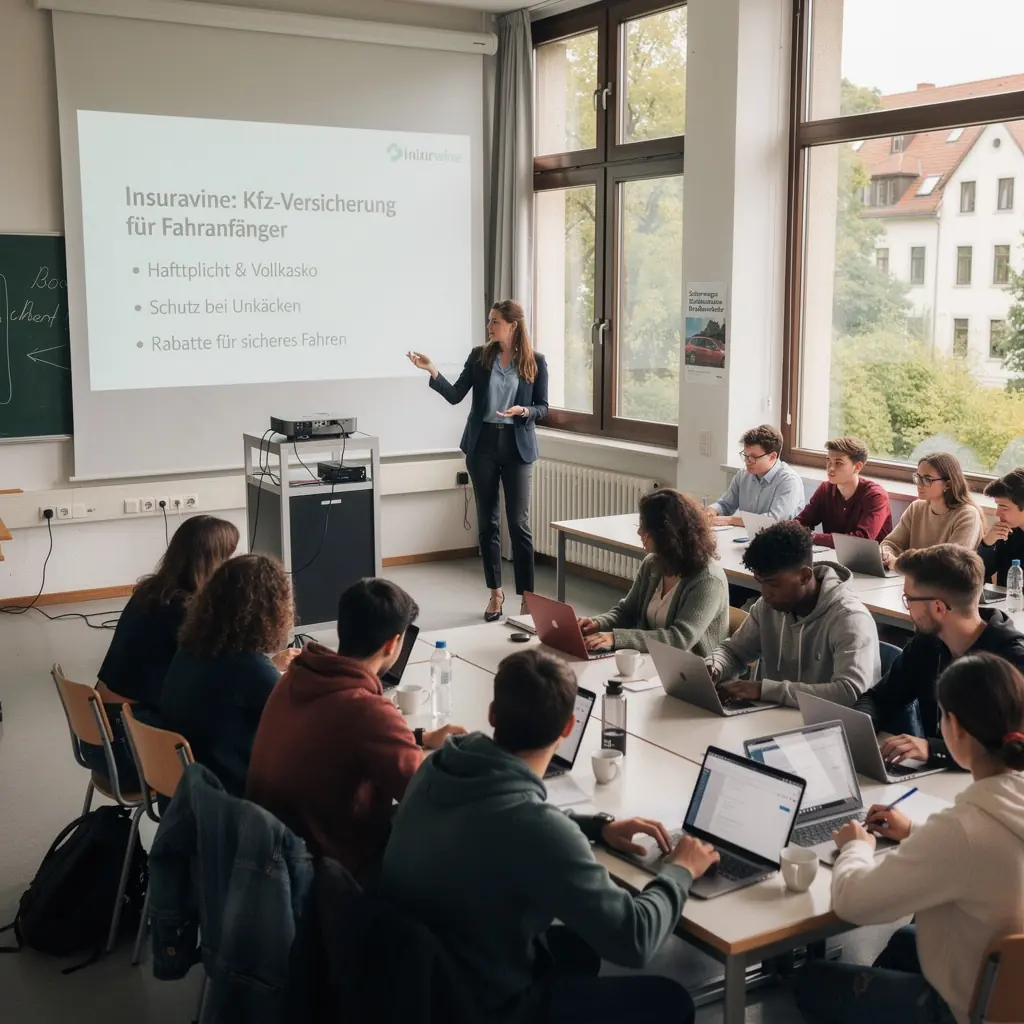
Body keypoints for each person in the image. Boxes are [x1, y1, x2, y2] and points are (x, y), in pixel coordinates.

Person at [380, 649, 716, 1024]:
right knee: (669, 1002)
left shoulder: (438, 767)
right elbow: (635, 940)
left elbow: (502, 821)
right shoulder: (534, 828)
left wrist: (596, 827)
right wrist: (680, 869)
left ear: (493, 713)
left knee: (577, 950)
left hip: (423, 978)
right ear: (569, 727)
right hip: (486, 1005)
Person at [795, 653, 1024, 1024]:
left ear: (956, 730)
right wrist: (916, 834)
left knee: (811, 980)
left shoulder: (960, 830)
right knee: (905, 939)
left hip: (966, 1011)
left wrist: (856, 846)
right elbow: (983, 855)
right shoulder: (995, 812)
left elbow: (853, 902)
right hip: (1013, 993)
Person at [247, 578, 465, 881]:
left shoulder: (296, 676)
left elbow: (335, 739)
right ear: (393, 644)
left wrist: (420, 738)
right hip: (330, 874)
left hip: (273, 858)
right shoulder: (366, 710)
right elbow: (425, 794)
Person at [407, 300, 548, 620]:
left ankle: (528, 598)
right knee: (488, 523)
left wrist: (524, 411)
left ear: (512, 325)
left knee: (519, 524)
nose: (490, 326)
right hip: (482, 446)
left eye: (495, 321)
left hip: (517, 448)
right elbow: (456, 395)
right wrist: (432, 370)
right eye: (489, 321)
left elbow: (543, 407)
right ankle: (495, 594)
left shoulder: (535, 361)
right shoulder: (480, 356)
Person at [81, 514, 239, 785]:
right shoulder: (184, 610)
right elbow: (218, 677)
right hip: (129, 750)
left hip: (97, 737)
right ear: (210, 561)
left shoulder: (149, 592)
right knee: (233, 741)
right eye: (226, 558)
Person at [853, 544, 1024, 768]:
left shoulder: (1012, 659)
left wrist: (934, 749)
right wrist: (857, 729)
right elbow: (879, 698)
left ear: (938, 608)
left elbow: (1014, 749)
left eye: (909, 600)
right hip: (936, 779)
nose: (907, 610)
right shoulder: (928, 644)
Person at [160, 554, 298, 798]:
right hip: (230, 801)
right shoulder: (250, 670)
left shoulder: (191, 650)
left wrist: (271, 667)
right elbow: (300, 724)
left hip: (183, 791)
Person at [708, 521, 880, 707]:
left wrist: (765, 690)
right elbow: (734, 652)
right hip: (776, 720)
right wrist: (714, 665)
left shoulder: (850, 619)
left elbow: (851, 692)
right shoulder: (767, 607)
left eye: (773, 584)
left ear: (805, 576)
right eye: (760, 582)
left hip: (831, 728)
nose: (765, 594)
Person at [578, 489, 728, 655]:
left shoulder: (708, 579)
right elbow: (627, 611)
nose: (640, 532)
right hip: (652, 662)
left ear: (667, 534)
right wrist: (596, 624)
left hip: (693, 672)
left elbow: (679, 639)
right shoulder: (652, 564)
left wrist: (615, 638)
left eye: (645, 527)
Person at [880, 453, 983, 569]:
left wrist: (900, 563)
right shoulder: (916, 508)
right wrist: (887, 555)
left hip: (948, 585)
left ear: (948, 484)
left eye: (927, 479)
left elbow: (951, 562)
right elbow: (891, 543)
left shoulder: (967, 515)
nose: (919, 484)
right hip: (914, 581)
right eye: (918, 477)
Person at [795, 436, 892, 548]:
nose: (830, 468)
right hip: (831, 557)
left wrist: (812, 537)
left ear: (857, 467)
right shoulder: (825, 489)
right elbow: (802, 521)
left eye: (838, 463)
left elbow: (862, 539)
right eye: (828, 461)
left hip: (866, 562)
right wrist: (787, 530)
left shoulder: (876, 496)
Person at [708, 424, 805, 525]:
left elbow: (773, 520)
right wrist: (712, 511)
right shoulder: (743, 474)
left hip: (778, 538)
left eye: (753, 457)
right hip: (746, 536)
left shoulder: (789, 481)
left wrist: (731, 520)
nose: (747, 461)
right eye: (745, 455)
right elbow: (725, 504)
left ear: (772, 457)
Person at [980, 467, 1024, 585]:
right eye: (997, 506)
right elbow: (979, 573)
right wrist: (987, 543)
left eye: (1004, 508)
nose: (997, 513)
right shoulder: (1008, 533)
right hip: (1005, 601)